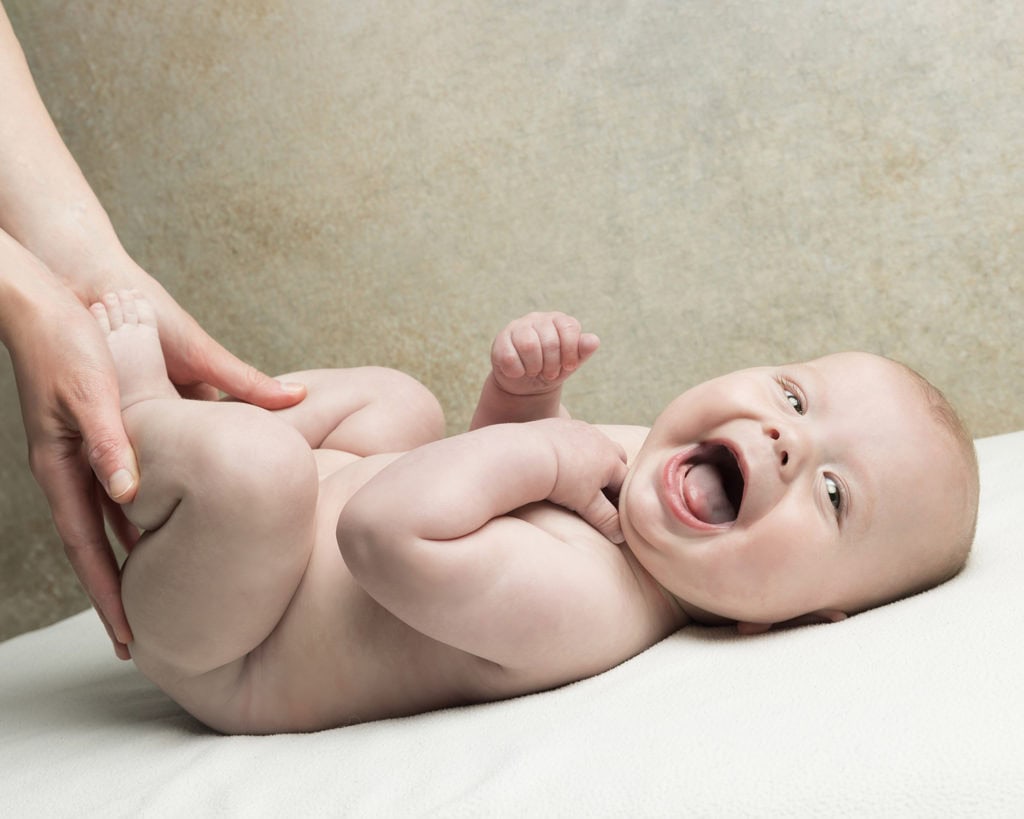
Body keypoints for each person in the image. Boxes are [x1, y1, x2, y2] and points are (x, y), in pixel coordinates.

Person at [92, 289, 979, 734]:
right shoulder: (652, 478)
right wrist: (526, 405)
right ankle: (201, 437)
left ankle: (134, 423)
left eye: (832, 494)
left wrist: (546, 449)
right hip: (288, 540)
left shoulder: (592, 606)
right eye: (793, 394)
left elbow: (385, 532)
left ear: (799, 619)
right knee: (398, 405)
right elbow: (488, 484)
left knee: (260, 474)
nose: (788, 440)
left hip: (232, 638)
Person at [0, 4, 306, 660]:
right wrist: (28, 298)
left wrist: (79, 260)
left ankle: (142, 408)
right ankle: (143, 410)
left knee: (272, 465)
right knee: (383, 413)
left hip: (242, 631)